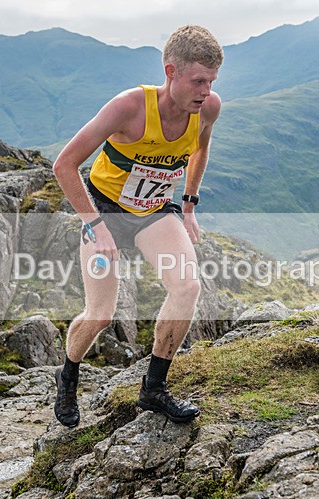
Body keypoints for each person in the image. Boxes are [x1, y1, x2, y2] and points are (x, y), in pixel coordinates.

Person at [52, 25, 223, 427]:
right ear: (171, 71)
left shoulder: (208, 108)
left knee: (187, 286)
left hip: (152, 210)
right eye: (198, 80)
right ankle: (68, 375)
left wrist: (190, 202)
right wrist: (95, 223)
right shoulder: (128, 107)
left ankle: (154, 389)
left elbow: (201, 146)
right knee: (100, 315)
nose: (205, 90)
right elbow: (64, 165)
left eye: (212, 81)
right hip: (104, 210)